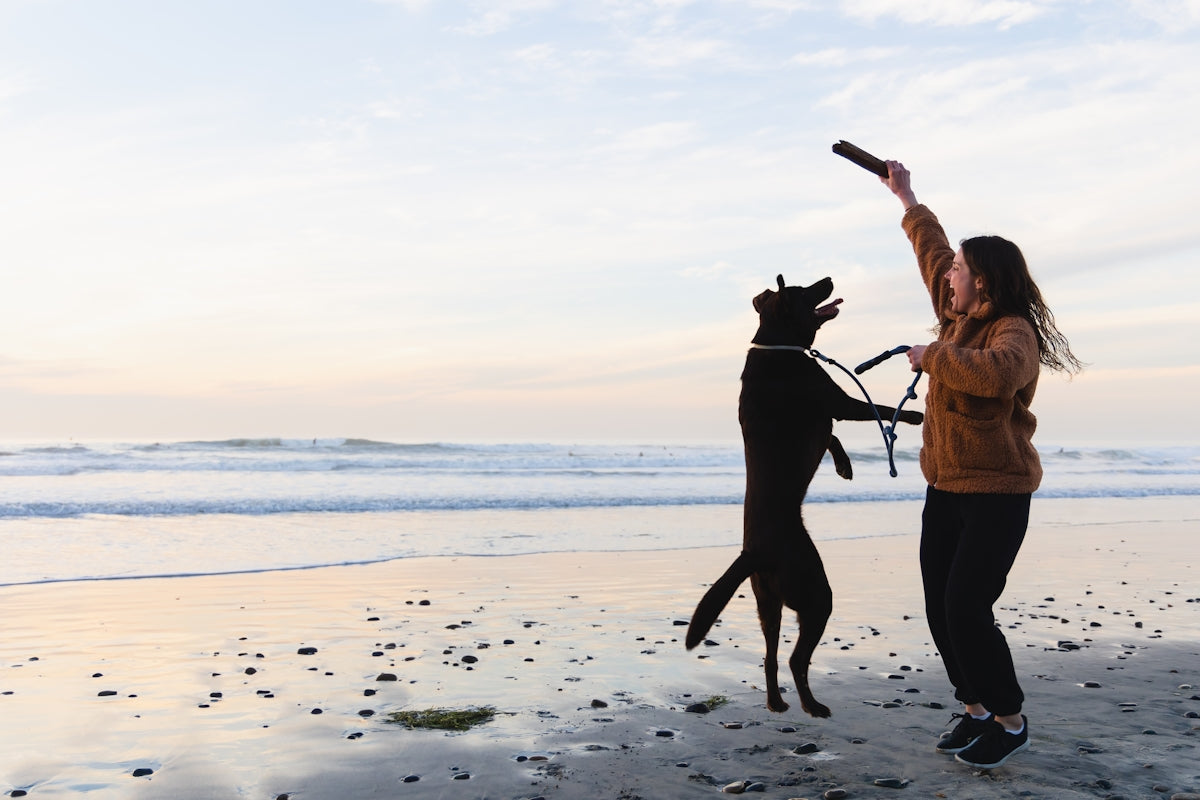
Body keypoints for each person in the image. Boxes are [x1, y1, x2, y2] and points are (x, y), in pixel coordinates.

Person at [880, 160, 1082, 769]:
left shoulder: (1012, 331)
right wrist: (906, 196)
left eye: (962, 272)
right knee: (940, 603)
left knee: (968, 607)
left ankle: (1010, 720)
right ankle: (973, 708)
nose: (949, 279)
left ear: (985, 283)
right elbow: (933, 253)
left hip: (997, 491)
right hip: (945, 486)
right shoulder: (957, 317)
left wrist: (933, 357)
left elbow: (999, 376)